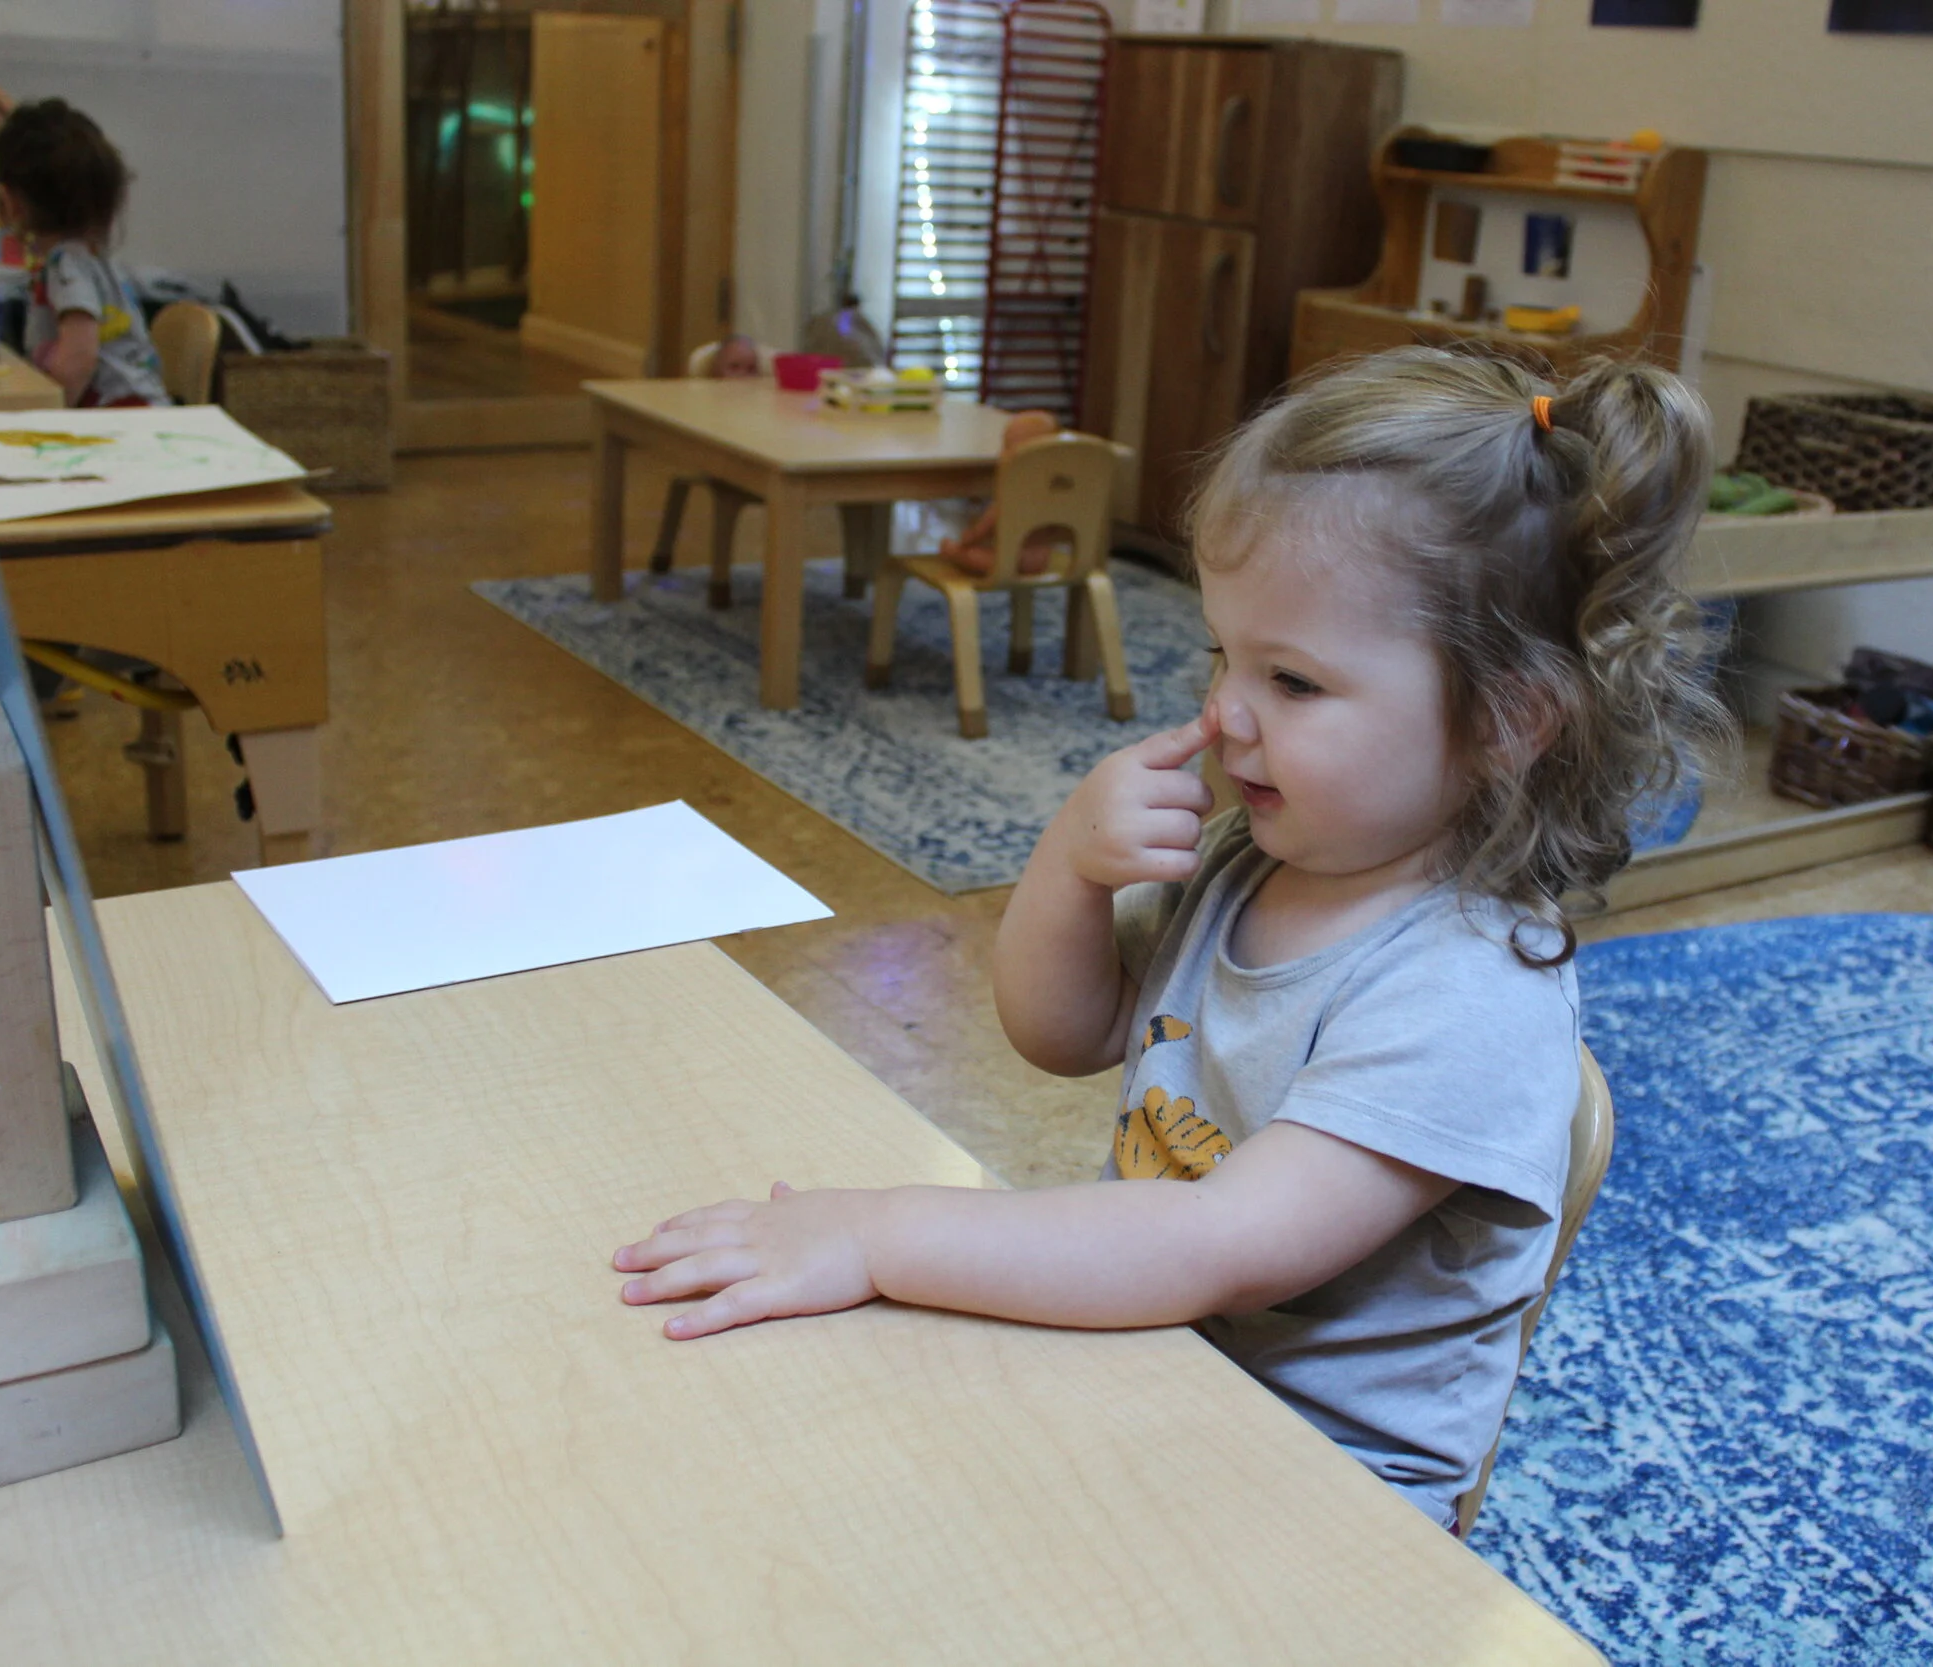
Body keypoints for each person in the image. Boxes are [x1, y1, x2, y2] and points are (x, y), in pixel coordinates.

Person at [611, 346, 1727, 1527]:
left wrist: (877, 1230)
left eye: (1292, 681)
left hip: (1320, 1498)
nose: (1223, 713)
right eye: (1220, 655)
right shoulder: (1250, 863)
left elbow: (1221, 1241)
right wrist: (1069, 864)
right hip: (1151, 1364)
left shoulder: (1469, 992)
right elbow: (1061, 1029)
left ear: (1507, 720)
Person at [0, 99, 167, 408]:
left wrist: (45, 417)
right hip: (138, 408)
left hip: (117, 415)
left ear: (9, 201)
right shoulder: (91, 256)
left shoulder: (65, 265)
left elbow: (79, 358)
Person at [940, 408, 1070, 578]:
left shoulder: (1013, 494)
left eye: (1010, 448)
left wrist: (967, 540)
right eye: (1005, 446)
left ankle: (955, 554)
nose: (1002, 454)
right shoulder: (1059, 491)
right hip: (1045, 558)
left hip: (1013, 561)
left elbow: (983, 529)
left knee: (961, 553)